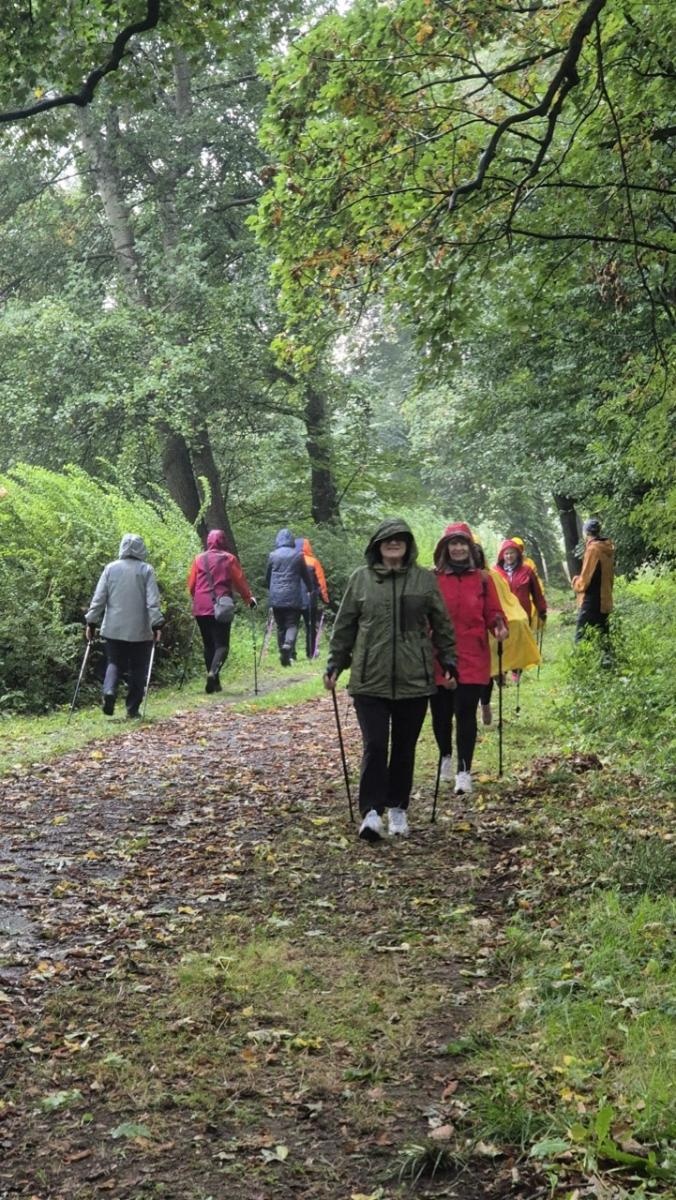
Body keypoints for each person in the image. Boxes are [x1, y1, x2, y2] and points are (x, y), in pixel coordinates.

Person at [324, 518, 457, 841]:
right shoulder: (360, 579)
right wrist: (335, 664)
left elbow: (442, 624)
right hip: (369, 679)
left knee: (404, 747)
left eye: (400, 538)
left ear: (408, 544)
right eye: (387, 539)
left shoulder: (424, 580)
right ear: (377, 545)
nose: (394, 543)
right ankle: (371, 813)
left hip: (415, 680)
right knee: (374, 744)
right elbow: (344, 626)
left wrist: (449, 661)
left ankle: (398, 808)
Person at [431, 523, 508, 793]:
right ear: (445, 548)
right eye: (453, 543)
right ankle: (445, 755)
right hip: (439, 655)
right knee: (441, 714)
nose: (458, 548)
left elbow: (493, 611)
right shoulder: (433, 579)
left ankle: (464, 771)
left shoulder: (483, 579)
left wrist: (498, 625)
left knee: (465, 712)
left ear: (470, 547)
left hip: (473, 654)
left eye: (462, 543)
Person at [85, 533, 164, 718]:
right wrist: (157, 625)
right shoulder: (146, 570)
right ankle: (132, 708)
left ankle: (109, 691)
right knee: (138, 668)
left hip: (113, 628)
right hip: (140, 630)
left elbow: (99, 598)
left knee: (114, 662)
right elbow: (153, 602)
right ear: (141, 549)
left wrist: (91, 621)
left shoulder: (110, 568)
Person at [473, 537, 541, 725]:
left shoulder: (492, 577)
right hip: (468, 635)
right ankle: (477, 707)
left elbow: (505, 603)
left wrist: (515, 621)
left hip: (488, 632)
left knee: (487, 670)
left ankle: (485, 706)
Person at [187, 529, 256, 693]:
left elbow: (191, 585)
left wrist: (197, 598)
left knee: (208, 645)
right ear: (223, 541)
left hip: (201, 607)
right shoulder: (229, 558)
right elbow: (239, 581)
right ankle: (213, 673)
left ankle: (215, 683)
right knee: (222, 645)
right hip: (221, 606)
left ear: (208, 542)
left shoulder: (198, 559)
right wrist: (248, 598)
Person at [266, 528, 315, 666]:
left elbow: (267, 576)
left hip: (276, 597)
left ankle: (284, 655)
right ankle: (287, 645)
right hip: (293, 597)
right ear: (291, 540)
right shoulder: (298, 555)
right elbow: (305, 576)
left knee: (280, 627)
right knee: (292, 624)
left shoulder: (272, 555)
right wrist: (310, 589)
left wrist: (271, 589)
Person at [572, 518, 615, 644]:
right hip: (605, 599)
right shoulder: (607, 547)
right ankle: (607, 657)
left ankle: (582, 658)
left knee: (580, 637)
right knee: (603, 638)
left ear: (586, 533)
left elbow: (585, 580)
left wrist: (575, 582)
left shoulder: (593, 549)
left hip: (591, 600)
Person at [295, 536, 330, 659]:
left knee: (292, 626)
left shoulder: (291, 561)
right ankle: (311, 653)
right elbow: (321, 582)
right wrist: (325, 598)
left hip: (293, 600)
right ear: (308, 547)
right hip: (310, 600)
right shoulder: (313, 562)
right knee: (310, 626)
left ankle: (290, 655)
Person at [511, 536, 546, 631]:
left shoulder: (529, 562)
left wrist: (540, 591)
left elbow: (535, 578)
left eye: (520, 548)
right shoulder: (507, 565)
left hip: (528, 593)